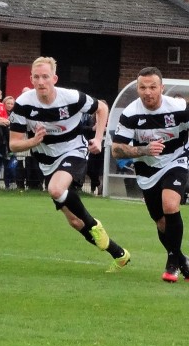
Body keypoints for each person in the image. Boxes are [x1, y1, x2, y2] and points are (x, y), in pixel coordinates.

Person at [9, 57, 130, 271]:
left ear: (54, 78)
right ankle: (119, 254)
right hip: (47, 162)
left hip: (73, 150)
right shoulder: (23, 104)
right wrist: (33, 141)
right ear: (31, 79)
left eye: (45, 76)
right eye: (36, 77)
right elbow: (14, 144)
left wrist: (99, 138)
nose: (41, 81)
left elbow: (101, 107)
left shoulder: (71, 97)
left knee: (55, 189)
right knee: (75, 222)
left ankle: (93, 225)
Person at [111, 66, 189, 282]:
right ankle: (182, 259)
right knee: (162, 223)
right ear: (137, 88)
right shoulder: (130, 114)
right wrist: (143, 150)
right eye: (143, 87)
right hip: (146, 169)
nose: (148, 92)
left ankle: (172, 262)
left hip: (176, 160)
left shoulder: (179, 107)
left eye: (153, 87)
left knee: (170, 205)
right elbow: (116, 149)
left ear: (162, 88)